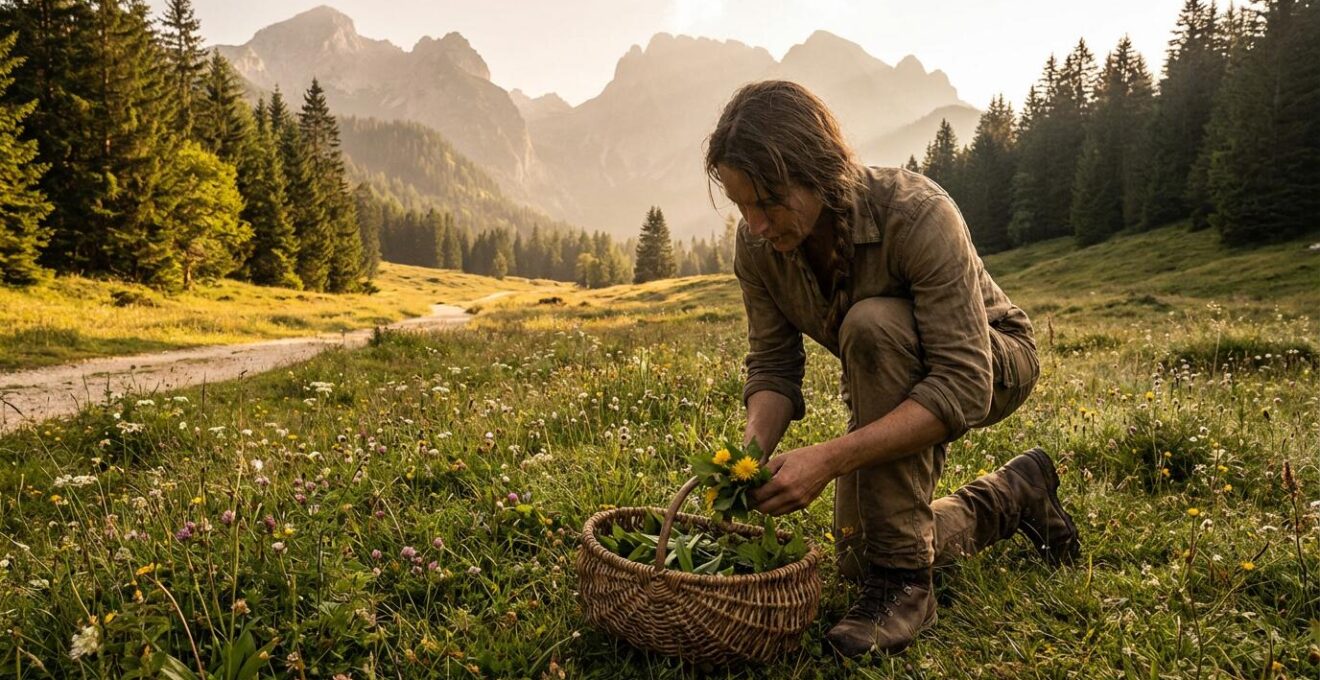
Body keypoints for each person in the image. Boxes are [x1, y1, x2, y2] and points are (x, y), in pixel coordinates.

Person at [704, 80, 1081, 658]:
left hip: (989, 361)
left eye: (768, 202)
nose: (754, 224)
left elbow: (964, 384)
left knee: (872, 324)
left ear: (819, 172)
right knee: (859, 555)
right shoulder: (758, 247)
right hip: (896, 369)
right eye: (741, 205)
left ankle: (906, 584)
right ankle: (1014, 494)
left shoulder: (917, 213)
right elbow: (774, 368)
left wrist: (829, 459)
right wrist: (746, 459)